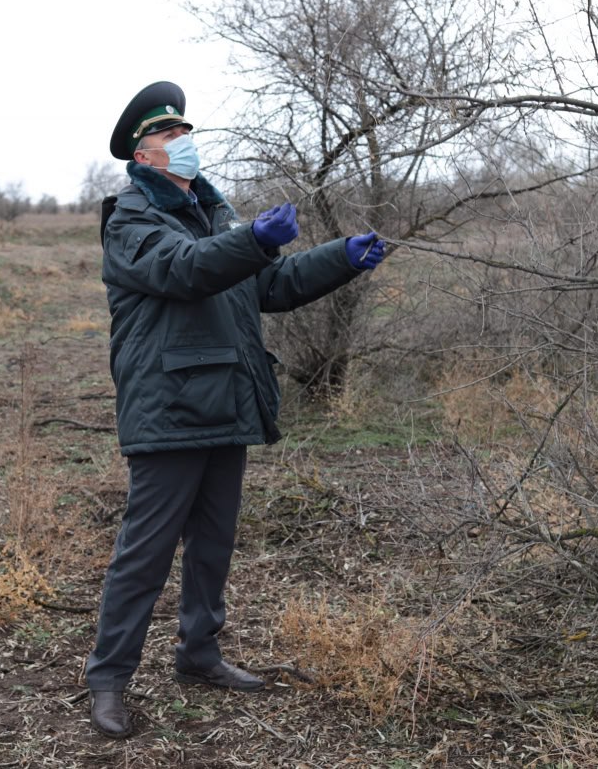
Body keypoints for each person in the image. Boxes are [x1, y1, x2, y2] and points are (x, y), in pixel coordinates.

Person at [85, 81, 385, 738]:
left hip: (224, 402)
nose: (184, 141)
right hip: (168, 410)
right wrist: (253, 237)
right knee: (147, 551)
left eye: (186, 131)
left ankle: (199, 654)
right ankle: (108, 679)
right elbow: (185, 270)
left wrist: (340, 258)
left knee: (213, 545)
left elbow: (270, 286)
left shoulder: (213, 214)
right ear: (142, 153)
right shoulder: (133, 221)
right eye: (169, 134)